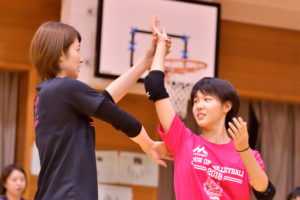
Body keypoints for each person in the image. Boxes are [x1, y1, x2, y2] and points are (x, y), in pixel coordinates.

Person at [29, 19, 172, 200]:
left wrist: (146, 61)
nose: (81, 58)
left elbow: (105, 101)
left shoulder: (47, 95)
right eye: (77, 49)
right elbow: (124, 120)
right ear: (60, 54)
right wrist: (148, 144)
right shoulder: (67, 88)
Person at [144, 16, 276, 200]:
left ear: (227, 106)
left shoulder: (248, 154)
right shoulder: (183, 141)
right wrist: (160, 48)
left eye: (206, 99)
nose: (198, 106)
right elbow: (155, 87)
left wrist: (243, 150)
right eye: (196, 101)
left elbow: (266, 193)